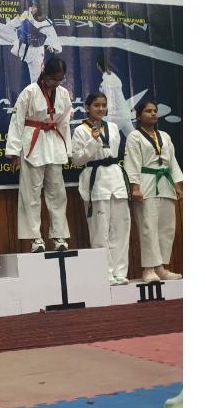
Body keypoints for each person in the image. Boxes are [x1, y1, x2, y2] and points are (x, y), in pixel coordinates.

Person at [6, 57, 71, 253]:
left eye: (60, 79)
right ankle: (35, 239)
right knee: (31, 193)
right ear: (45, 74)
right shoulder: (30, 92)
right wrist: (14, 152)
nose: (56, 83)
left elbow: (65, 122)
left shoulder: (63, 94)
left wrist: (67, 149)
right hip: (32, 142)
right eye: (53, 79)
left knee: (57, 192)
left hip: (54, 142)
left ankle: (59, 236)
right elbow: (17, 121)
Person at [70, 92, 131, 285]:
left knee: (121, 228)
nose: (101, 108)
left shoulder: (112, 127)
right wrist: (93, 141)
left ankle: (120, 272)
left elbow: (115, 152)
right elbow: (77, 160)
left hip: (116, 177)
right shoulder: (80, 130)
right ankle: (106, 273)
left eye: (104, 105)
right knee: (100, 231)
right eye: (97, 105)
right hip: (96, 179)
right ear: (87, 107)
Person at [124, 99, 183, 282]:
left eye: (155, 110)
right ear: (138, 116)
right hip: (146, 183)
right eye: (148, 111)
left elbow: (172, 162)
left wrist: (178, 186)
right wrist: (135, 188)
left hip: (165, 183)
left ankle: (161, 268)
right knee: (148, 227)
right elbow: (132, 163)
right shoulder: (135, 136)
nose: (153, 113)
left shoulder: (164, 136)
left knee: (167, 227)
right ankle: (148, 269)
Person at [97, 54, 135, 137]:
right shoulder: (114, 77)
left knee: (104, 138)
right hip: (125, 114)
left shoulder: (107, 81)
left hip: (117, 116)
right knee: (133, 138)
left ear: (98, 66)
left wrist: (110, 119)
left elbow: (111, 102)